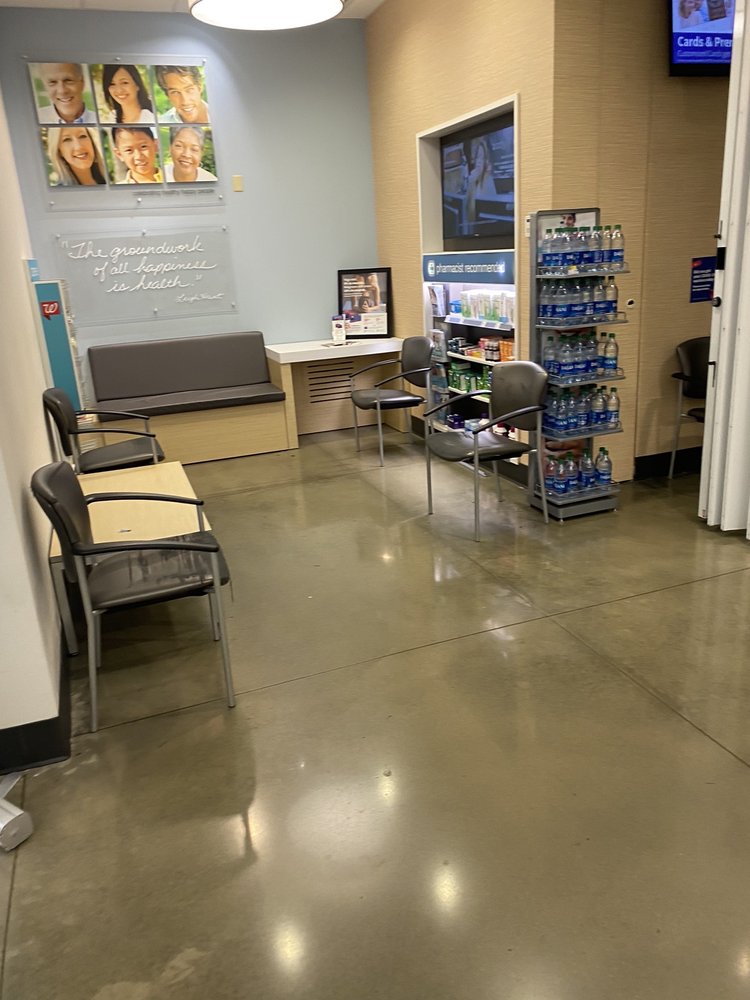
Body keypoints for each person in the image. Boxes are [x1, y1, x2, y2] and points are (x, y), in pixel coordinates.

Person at [465, 136, 496, 226]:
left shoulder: (488, 181)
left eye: (481, 158)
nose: (478, 162)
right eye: (477, 157)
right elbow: (468, 215)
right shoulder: (473, 178)